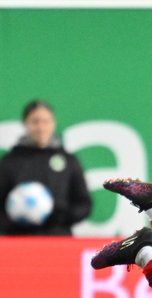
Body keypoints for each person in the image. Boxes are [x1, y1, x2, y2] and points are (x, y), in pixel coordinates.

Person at [0, 99, 91, 235]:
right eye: (35, 121)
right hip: (19, 240)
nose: (41, 127)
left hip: (58, 238)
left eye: (46, 121)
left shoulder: (68, 160)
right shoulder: (10, 162)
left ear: (53, 123)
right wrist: (13, 220)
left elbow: (84, 204)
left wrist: (60, 217)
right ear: (25, 124)